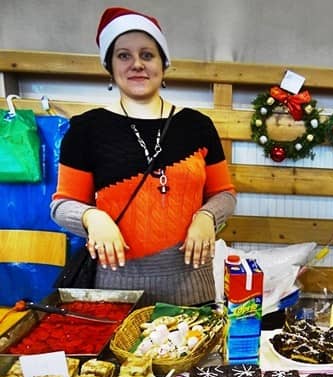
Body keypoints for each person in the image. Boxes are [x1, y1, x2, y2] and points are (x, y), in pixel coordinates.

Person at [51, 7, 236, 306]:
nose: (137, 64)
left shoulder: (198, 126)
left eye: (147, 55)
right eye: (124, 55)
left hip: (192, 289)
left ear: (163, 64)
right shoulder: (86, 129)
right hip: (117, 293)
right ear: (110, 66)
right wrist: (92, 216)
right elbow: (62, 204)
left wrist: (207, 216)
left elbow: (224, 194)